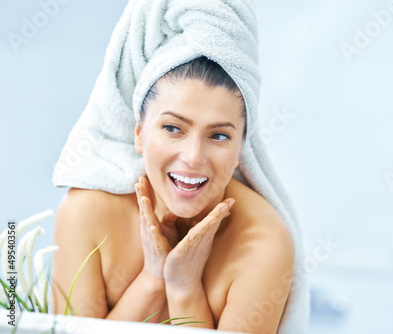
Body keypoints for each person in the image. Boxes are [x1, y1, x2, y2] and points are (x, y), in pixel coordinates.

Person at [52, 57, 295, 333]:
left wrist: (184, 288)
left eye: (218, 136)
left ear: (239, 149)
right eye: (172, 128)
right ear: (140, 133)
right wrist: (152, 279)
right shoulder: (86, 212)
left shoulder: (263, 242)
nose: (193, 158)